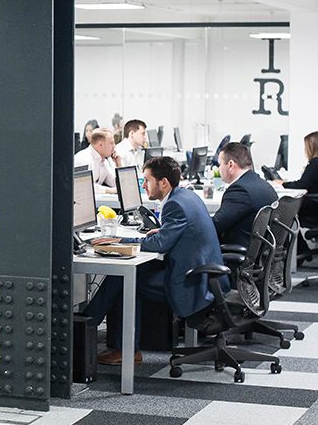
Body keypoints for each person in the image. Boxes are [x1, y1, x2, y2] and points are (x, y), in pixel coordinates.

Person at [85, 156, 226, 365]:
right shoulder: (186, 196)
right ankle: (92, 330)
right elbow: (178, 232)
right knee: (130, 275)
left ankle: (92, 332)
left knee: (126, 281)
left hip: (192, 283)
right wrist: (163, 231)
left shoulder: (175, 205)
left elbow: (159, 245)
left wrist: (119, 240)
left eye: (147, 180)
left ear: (164, 183)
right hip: (204, 274)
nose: (143, 185)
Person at [212, 141, 277, 248]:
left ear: (231, 165)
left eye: (219, 164)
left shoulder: (239, 190)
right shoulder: (262, 184)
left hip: (237, 251)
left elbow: (216, 225)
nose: (218, 169)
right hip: (260, 251)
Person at [274, 131, 318, 225]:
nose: (305, 150)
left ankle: (288, 239)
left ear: (311, 148)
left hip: (317, 208)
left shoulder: (316, 164)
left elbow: (301, 185)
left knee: (284, 208)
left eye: (306, 147)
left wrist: (282, 184)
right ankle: (298, 239)